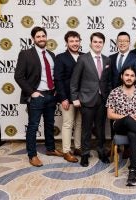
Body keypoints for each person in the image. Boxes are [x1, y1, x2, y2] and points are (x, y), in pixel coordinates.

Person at [14, 26, 63, 167]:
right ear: (33, 39)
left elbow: (53, 75)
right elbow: (18, 76)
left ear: (46, 37)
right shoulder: (25, 54)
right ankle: (32, 155)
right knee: (33, 126)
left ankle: (51, 149)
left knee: (49, 124)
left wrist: (55, 90)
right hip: (36, 97)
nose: (41, 39)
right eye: (38, 36)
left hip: (51, 95)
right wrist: (32, 92)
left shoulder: (51, 55)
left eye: (43, 36)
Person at [70, 32, 111, 167]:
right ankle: (85, 154)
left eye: (100, 42)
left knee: (100, 129)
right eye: (95, 42)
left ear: (103, 44)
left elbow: (107, 81)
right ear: (90, 43)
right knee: (86, 129)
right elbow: (74, 80)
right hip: (86, 99)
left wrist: (109, 97)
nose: (98, 44)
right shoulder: (83, 59)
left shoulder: (107, 60)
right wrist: (75, 98)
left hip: (102, 100)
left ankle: (101, 151)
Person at [54, 31, 84, 163]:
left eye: (77, 41)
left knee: (79, 123)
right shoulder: (60, 58)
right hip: (67, 97)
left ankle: (77, 147)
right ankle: (66, 151)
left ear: (80, 41)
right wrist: (63, 98)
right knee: (67, 124)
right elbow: (58, 79)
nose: (75, 43)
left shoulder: (84, 56)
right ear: (67, 43)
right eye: (71, 41)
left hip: (82, 97)